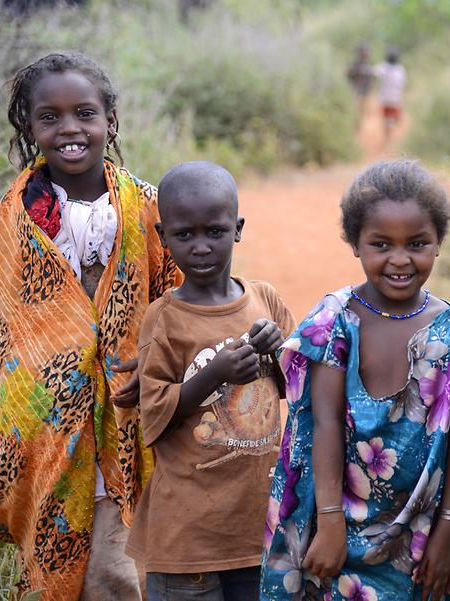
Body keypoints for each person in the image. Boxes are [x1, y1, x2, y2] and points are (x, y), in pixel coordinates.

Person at [0, 52, 181, 600]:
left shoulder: (146, 207)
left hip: (128, 417)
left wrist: (154, 371)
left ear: (110, 119)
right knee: (66, 554)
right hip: (48, 421)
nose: (69, 129)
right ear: (30, 127)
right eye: (50, 117)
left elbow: (177, 301)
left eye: (84, 113)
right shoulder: (16, 214)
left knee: (118, 564)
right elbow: (1, 325)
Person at [261, 160, 450, 600]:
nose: (400, 259)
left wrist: (447, 529)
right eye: (381, 244)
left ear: (438, 244)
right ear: (356, 245)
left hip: (419, 530)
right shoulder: (335, 320)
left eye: (417, 243)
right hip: (330, 521)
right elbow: (323, 422)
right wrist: (330, 522)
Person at [125, 161, 295, 600]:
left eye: (214, 232)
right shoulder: (164, 319)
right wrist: (214, 373)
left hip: (257, 528)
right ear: (163, 237)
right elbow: (155, 410)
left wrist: (277, 351)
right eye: (185, 235)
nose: (201, 247)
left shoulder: (265, 300)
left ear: (237, 229)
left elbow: (300, 386)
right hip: (188, 538)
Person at [373, 50, 407, 144]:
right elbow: (403, 84)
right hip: (395, 98)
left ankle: (387, 136)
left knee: (386, 119)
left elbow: (373, 73)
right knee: (393, 118)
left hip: (384, 98)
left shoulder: (383, 67)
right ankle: (390, 131)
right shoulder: (400, 70)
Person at [346, 43, 374, 129]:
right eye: (364, 52)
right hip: (356, 91)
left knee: (362, 110)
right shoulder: (355, 64)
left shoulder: (368, 65)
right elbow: (349, 76)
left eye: (367, 52)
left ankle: (358, 125)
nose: (366, 54)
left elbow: (370, 79)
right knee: (356, 109)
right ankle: (355, 125)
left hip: (364, 91)